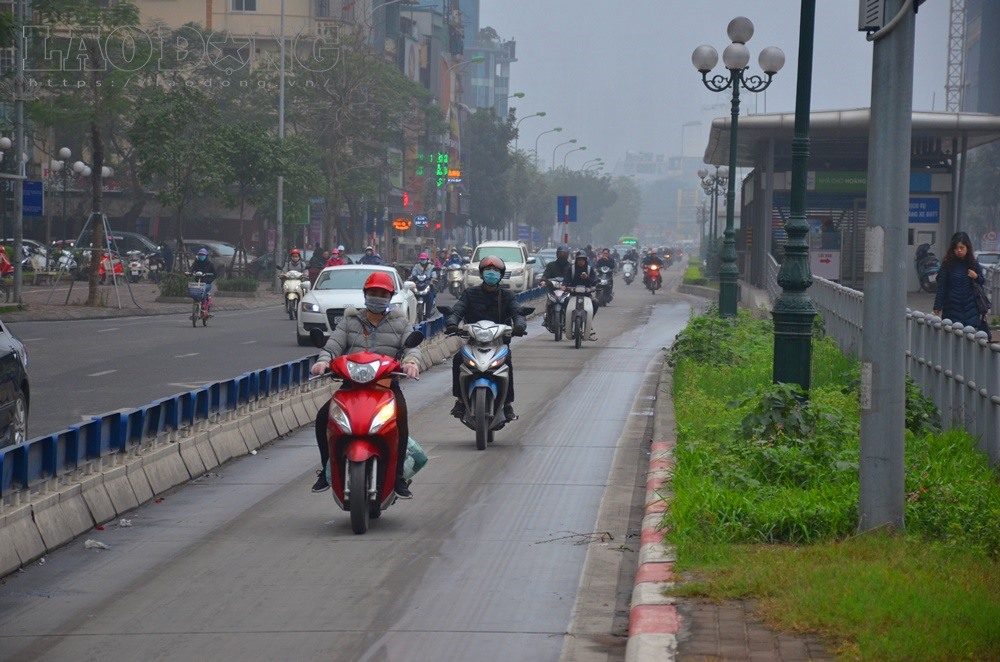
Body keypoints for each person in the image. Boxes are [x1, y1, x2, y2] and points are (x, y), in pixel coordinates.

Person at [309, 271, 421, 497]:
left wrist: (411, 362)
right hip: (351, 387)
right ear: (365, 295)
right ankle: (327, 470)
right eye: (373, 293)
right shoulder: (350, 322)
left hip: (386, 387)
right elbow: (332, 346)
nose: (377, 297)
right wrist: (323, 362)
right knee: (323, 419)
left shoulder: (400, 323)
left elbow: (412, 348)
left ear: (389, 297)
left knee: (400, 421)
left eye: (382, 294)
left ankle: (398, 477)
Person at [445, 256, 526, 421]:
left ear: (501, 275)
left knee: (507, 363)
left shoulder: (507, 296)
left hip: (499, 344)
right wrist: (452, 323)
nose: (491, 274)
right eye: (488, 271)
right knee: (457, 360)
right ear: (482, 274)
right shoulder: (469, 293)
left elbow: (517, 312)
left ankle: (508, 404)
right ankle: (460, 400)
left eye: (495, 271)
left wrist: (519, 325)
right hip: (474, 343)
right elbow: (457, 311)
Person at [933, 231, 989, 333]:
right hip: (951, 309)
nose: (959, 250)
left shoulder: (973, 263)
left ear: (967, 247)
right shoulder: (947, 264)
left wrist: (975, 276)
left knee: (970, 339)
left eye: (962, 248)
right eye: (956, 248)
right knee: (953, 339)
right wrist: (937, 306)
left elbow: (982, 281)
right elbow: (942, 287)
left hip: (971, 310)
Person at [537, 245, 572, 331]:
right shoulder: (551, 265)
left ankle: (570, 319)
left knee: (571, 303)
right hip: (553, 289)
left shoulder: (571, 267)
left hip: (566, 290)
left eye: (564, 254)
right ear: (557, 254)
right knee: (549, 302)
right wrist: (543, 281)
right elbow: (546, 274)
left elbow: (574, 277)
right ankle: (547, 317)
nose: (562, 256)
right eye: (560, 254)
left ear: (567, 255)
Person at [566, 250, 599, 339]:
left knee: (595, 302)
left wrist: (587, 277)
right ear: (576, 260)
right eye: (579, 260)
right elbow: (566, 280)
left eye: (583, 260)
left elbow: (594, 282)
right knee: (565, 301)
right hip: (573, 294)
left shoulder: (589, 269)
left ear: (585, 260)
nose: (581, 262)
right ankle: (566, 322)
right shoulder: (571, 269)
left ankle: (589, 322)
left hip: (587, 295)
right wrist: (564, 286)